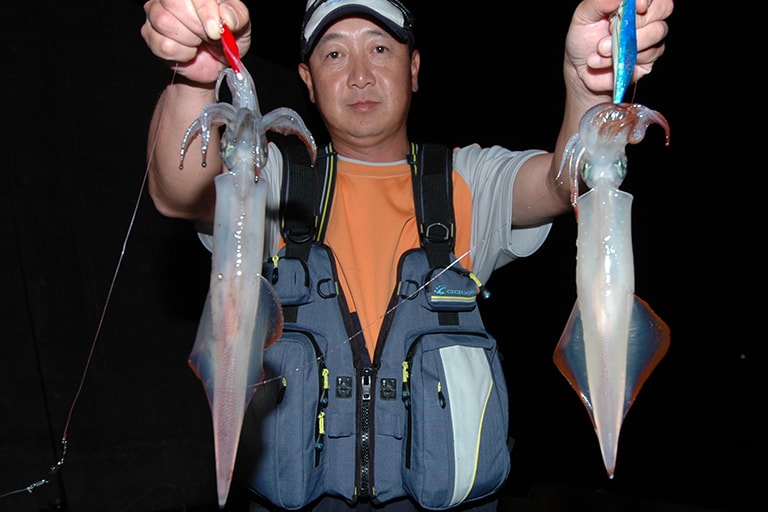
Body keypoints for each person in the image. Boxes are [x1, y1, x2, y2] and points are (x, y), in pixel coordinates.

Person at [141, 1, 673, 511]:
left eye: (379, 49)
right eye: (334, 53)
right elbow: (179, 190)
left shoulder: (467, 181)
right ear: (307, 80)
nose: (359, 76)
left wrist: (587, 86)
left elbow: (567, 179)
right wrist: (196, 78)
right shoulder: (271, 181)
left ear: (414, 68)